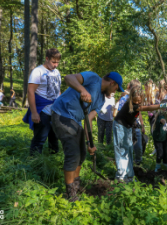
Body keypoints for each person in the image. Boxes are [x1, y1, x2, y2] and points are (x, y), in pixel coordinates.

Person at [51, 71, 124, 202]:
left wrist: (90, 143)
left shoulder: (101, 99)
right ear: (112, 83)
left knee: (82, 153)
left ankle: (76, 185)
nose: (115, 92)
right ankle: (70, 194)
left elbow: (89, 120)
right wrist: (82, 90)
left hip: (76, 120)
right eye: (116, 88)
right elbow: (68, 78)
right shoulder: (93, 78)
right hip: (62, 114)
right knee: (73, 153)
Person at [113, 86, 167, 182]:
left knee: (128, 150)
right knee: (121, 150)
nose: (137, 103)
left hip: (128, 127)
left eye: (139, 101)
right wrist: (162, 105)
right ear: (131, 98)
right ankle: (121, 176)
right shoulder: (131, 104)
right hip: (120, 126)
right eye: (135, 101)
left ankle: (129, 175)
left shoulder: (136, 104)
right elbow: (148, 107)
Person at [23, 48, 62, 156]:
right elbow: (30, 91)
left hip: (55, 110)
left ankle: (53, 162)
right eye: (53, 62)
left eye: (57, 62)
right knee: (39, 139)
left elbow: (58, 90)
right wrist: (34, 113)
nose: (56, 65)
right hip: (43, 110)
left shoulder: (57, 72)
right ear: (46, 58)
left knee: (54, 139)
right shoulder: (38, 71)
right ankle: (35, 163)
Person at [118, 80, 145, 165]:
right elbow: (120, 112)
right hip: (127, 126)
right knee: (127, 146)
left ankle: (138, 163)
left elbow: (139, 112)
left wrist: (142, 124)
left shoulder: (139, 98)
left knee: (138, 147)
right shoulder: (124, 99)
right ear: (130, 88)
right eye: (135, 88)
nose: (137, 90)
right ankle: (128, 164)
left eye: (139, 88)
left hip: (136, 126)